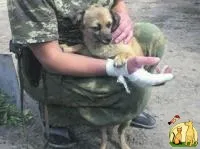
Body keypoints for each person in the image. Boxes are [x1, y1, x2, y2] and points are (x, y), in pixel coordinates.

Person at [7, 0, 173, 148]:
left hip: (95, 46)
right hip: (60, 61)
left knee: (151, 36)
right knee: (135, 91)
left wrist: (121, 14)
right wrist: (114, 68)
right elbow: (52, 59)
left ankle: (125, 107)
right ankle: (57, 116)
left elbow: (117, 2)